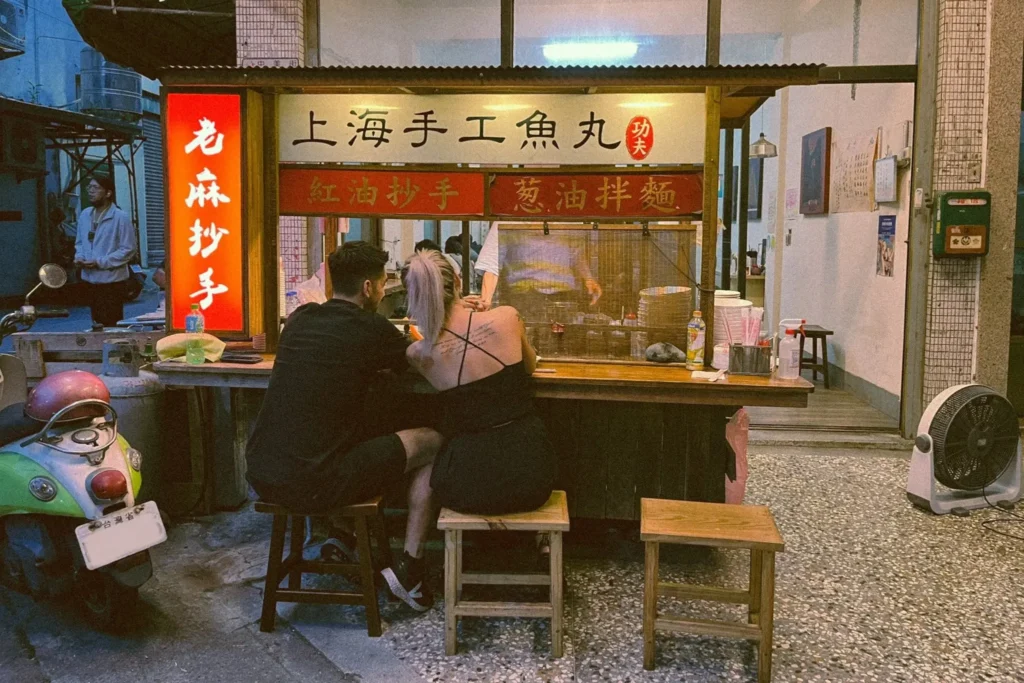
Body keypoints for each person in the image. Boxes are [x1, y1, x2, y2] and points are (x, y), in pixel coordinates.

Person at [245, 241, 444, 612]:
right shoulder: (372, 327)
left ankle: (342, 534)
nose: (383, 292)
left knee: (347, 431)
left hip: (262, 471)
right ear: (369, 287)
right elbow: (425, 364)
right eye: (383, 284)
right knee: (432, 440)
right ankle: (411, 569)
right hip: (316, 482)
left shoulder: (301, 318)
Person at [401, 249, 556, 515]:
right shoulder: (507, 317)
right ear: (459, 282)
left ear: (414, 297)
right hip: (532, 478)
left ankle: (412, 554)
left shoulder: (418, 354)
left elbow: (441, 332)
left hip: (466, 485)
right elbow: (529, 367)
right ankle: (539, 544)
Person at [465, 224, 602, 315]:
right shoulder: (507, 217)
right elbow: (492, 264)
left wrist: (588, 278)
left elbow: (575, 253)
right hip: (524, 298)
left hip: (564, 298)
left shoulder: (567, 214)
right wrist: (486, 301)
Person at [74, 175, 137, 327]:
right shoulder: (85, 215)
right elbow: (80, 242)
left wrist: (99, 262)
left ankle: (112, 350)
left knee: (111, 325)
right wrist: (80, 256)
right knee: (96, 324)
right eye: (89, 187)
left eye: (95, 188)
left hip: (111, 283)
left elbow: (128, 249)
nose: (90, 191)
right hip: (90, 280)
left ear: (108, 193)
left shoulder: (120, 217)